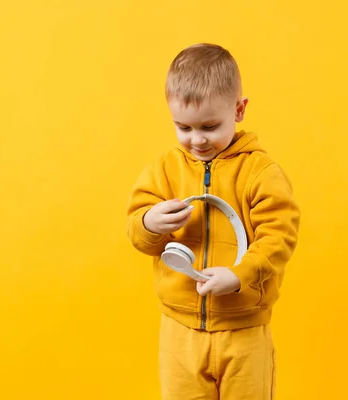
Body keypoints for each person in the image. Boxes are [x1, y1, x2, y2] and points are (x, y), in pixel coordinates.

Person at [126, 43, 300, 399]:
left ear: (239, 110)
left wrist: (240, 274)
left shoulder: (260, 172)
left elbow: (280, 237)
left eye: (209, 126)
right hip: (180, 331)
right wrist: (148, 223)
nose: (197, 140)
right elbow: (136, 232)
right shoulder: (163, 171)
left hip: (245, 330)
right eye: (183, 127)